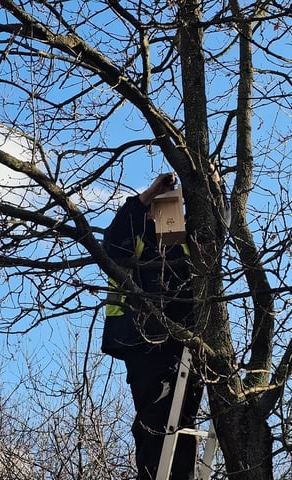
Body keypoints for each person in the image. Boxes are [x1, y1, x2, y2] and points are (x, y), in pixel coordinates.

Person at [101, 173, 204, 480]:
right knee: (156, 416)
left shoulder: (183, 243)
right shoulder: (132, 240)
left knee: (184, 420)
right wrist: (150, 193)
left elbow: (215, 232)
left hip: (184, 344)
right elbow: (112, 241)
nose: (164, 213)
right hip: (143, 341)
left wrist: (206, 186)